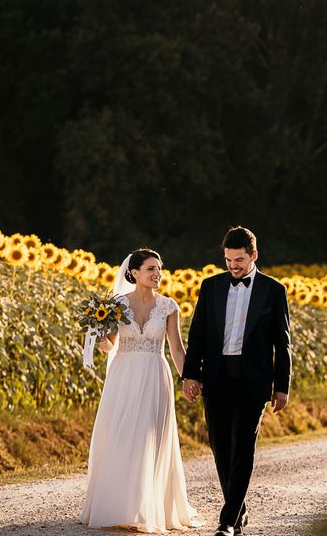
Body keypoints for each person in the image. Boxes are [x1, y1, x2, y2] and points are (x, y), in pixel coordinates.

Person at [80, 248, 201, 532]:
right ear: (134, 273)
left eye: (159, 269)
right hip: (123, 375)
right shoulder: (116, 305)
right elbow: (110, 344)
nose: (157, 274)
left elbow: (176, 349)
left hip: (155, 375)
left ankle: (149, 508)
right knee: (121, 436)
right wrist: (100, 338)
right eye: (151, 269)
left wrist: (190, 378)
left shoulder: (169, 306)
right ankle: (118, 507)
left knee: (150, 437)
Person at [182, 227, 292, 536]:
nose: (233, 266)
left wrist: (281, 386)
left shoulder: (273, 290)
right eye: (229, 260)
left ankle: (227, 521)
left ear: (254, 256)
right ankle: (239, 509)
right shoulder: (211, 286)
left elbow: (282, 344)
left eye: (240, 260)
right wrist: (190, 374)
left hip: (253, 382)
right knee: (220, 447)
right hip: (215, 378)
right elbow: (198, 335)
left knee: (242, 446)